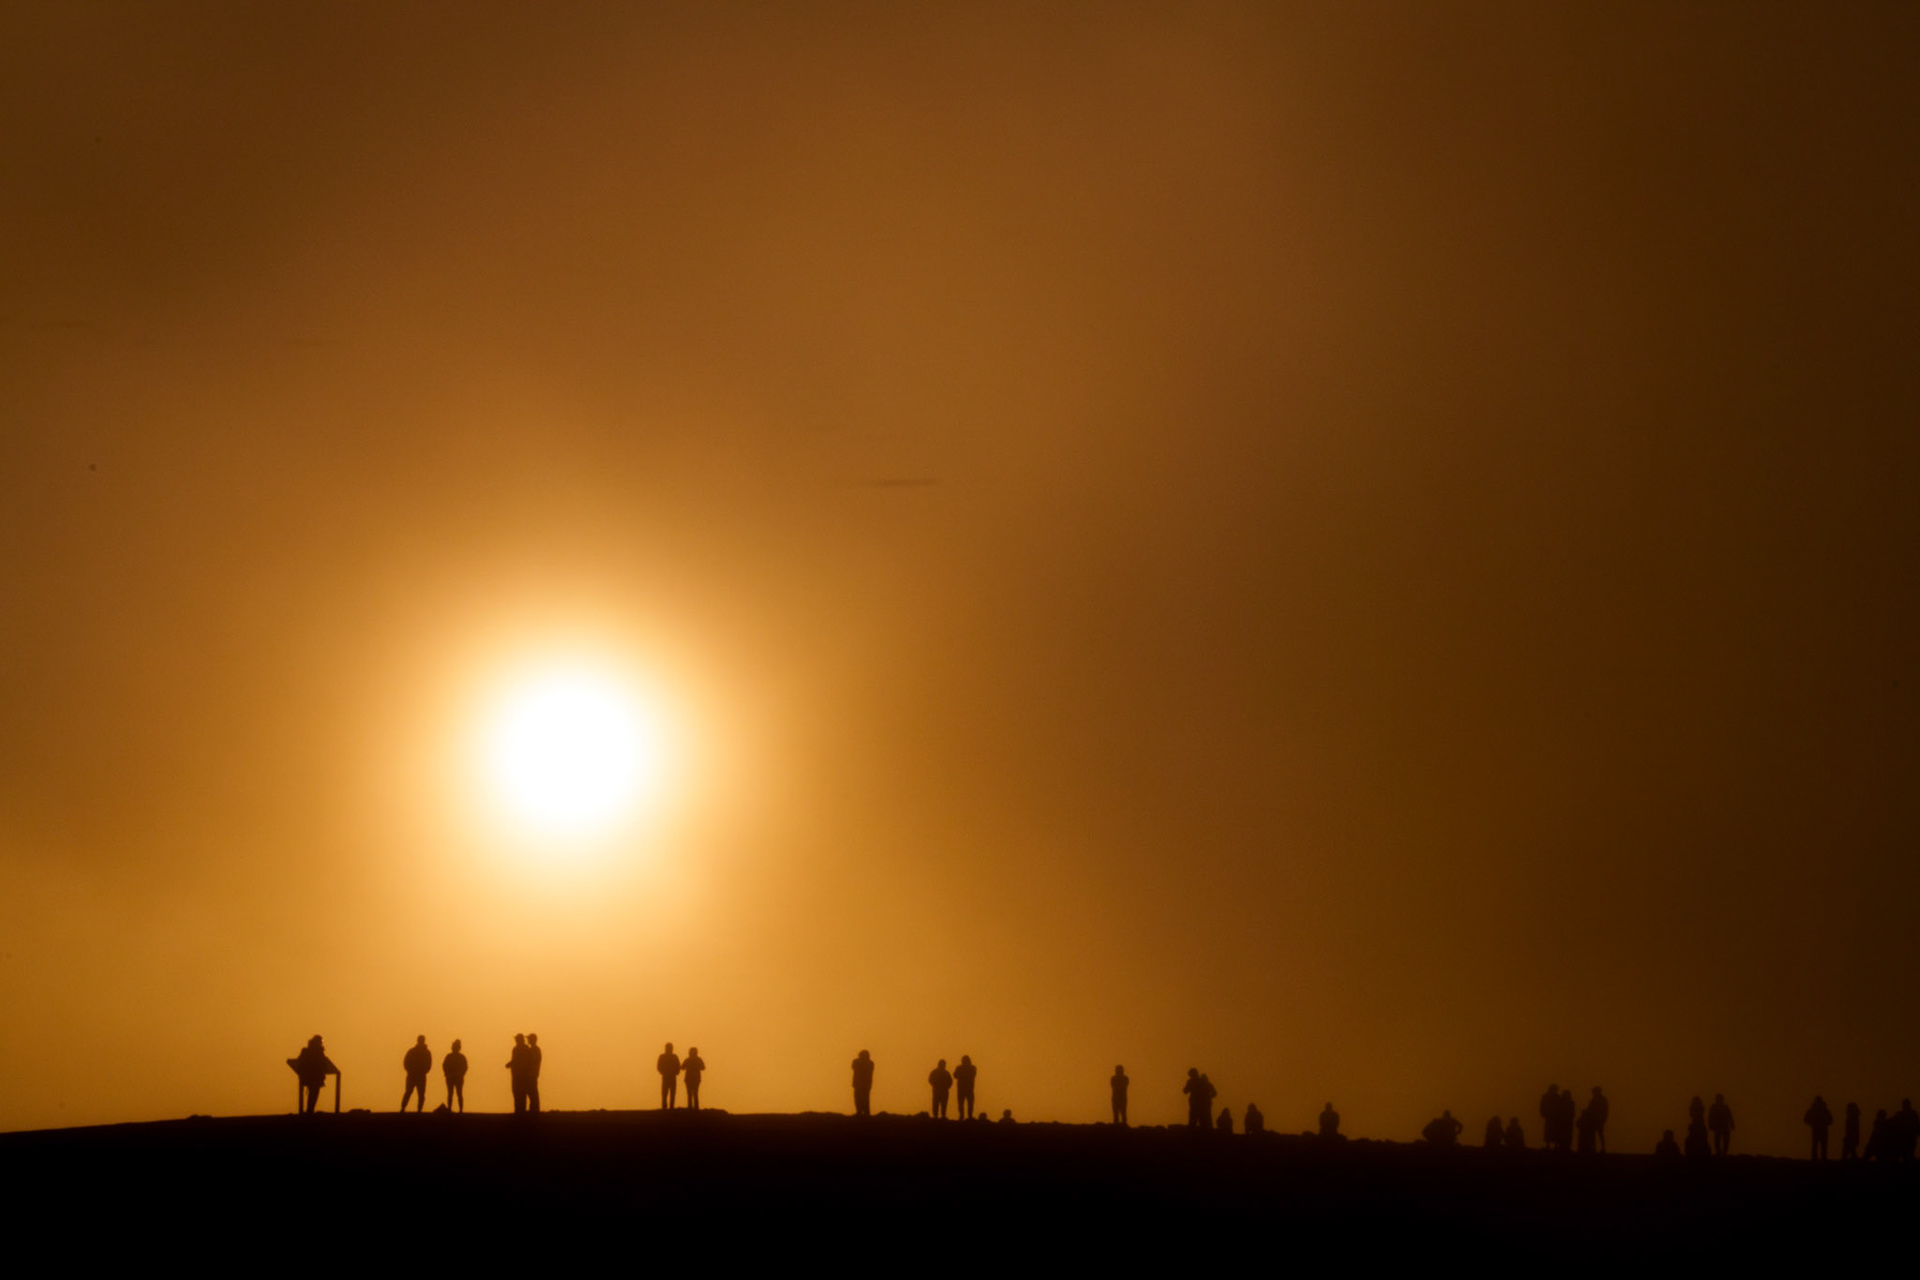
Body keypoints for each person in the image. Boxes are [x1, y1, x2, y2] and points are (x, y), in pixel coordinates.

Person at [289, 1035, 337, 1116]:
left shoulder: (307, 1051)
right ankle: (310, 1111)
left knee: (313, 1093)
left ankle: (309, 1110)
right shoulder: (316, 1052)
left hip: (308, 1077)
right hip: (314, 1078)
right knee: (314, 1094)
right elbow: (321, 1063)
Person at [401, 1035, 432, 1113]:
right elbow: (406, 1062)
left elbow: (429, 1064)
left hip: (420, 1075)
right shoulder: (413, 1051)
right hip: (413, 1075)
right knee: (409, 1092)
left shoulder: (425, 1052)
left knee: (420, 1094)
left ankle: (418, 1110)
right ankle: (403, 1108)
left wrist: (424, 1071)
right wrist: (410, 1071)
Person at [506, 1034, 529, 1114]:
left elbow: (516, 1061)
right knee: (520, 1093)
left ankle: (519, 1110)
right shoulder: (525, 1048)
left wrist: (509, 1064)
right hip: (520, 1075)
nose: (515, 1041)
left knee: (518, 1092)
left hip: (518, 1075)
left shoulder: (517, 1049)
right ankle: (521, 1110)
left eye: (516, 1039)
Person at [1804, 1095, 1833, 1161]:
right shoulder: (1825, 1110)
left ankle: (1816, 1159)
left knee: (1817, 1145)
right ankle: (1821, 1159)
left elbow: (1830, 1120)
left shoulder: (1813, 1110)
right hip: (1820, 1130)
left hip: (1817, 1130)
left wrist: (1813, 1122)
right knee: (1821, 1145)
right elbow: (1830, 1120)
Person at [442, 1039, 468, 1113]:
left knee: (457, 1093)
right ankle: (453, 1109)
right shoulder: (451, 1057)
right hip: (452, 1077)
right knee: (453, 1093)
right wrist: (447, 1073)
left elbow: (465, 1067)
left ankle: (459, 1110)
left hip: (456, 1077)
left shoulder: (459, 1057)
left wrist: (460, 1074)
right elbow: (444, 1066)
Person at [851, 1050, 875, 1117]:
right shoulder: (857, 1062)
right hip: (859, 1083)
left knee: (864, 1098)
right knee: (858, 1098)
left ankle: (866, 1112)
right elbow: (853, 1067)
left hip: (864, 1084)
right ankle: (859, 1112)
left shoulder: (869, 1063)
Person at [657, 1043, 681, 1110]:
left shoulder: (674, 1057)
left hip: (672, 1076)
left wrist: (676, 1072)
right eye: (669, 1048)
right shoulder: (663, 1056)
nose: (670, 1049)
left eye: (671, 1048)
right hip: (666, 1076)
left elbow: (678, 1066)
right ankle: (665, 1106)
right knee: (665, 1092)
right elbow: (659, 1066)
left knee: (672, 1092)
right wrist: (663, 1072)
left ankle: (671, 1106)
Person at [1539, 1085, 1563, 1152]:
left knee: (1555, 1131)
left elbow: (1560, 1107)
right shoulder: (1546, 1097)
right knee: (1548, 1131)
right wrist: (1544, 1114)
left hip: (1555, 1117)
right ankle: (1548, 1144)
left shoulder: (1557, 1097)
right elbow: (1542, 1106)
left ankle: (1555, 1145)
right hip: (1549, 1117)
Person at [954, 1055, 978, 1121]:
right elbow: (955, 1075)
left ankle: (968, 1116)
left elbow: (956, 1075)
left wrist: (962, 1074)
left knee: (969, 1104)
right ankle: (963, 1116)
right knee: (962, 1104)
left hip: (968, 1089)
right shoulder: (972, 1068)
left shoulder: (972, 1068)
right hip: (964, 1089)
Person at [682, 1047, 706, 1111]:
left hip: (691, 1078)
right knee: (694, 1093)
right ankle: (695, 1107)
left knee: (691, 1093)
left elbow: (682, 1067)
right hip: (694, 1078)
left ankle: (692, 1107)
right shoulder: (697, 1059)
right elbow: (703, 1067)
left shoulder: (688, 1059)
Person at [525, 1033, 543, 1114]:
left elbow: (532, 1061)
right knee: (532, 1092)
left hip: (532, 1074)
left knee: (532, 1092)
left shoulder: (534, 1049)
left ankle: (534, 1110)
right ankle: (534, 1109)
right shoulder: (534, 1049)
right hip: (532, 1074)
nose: (528, 1040)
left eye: (529, 1039)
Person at [1589, 1087, 1610, 1153]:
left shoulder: (1602, 1100)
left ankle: (1602, 1148)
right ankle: (1594, 1148)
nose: (1593, 1093)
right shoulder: (1593, 1100)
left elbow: (1605, 1110)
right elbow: (1590, 1109)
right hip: (1593, 1119)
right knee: (1593, 1134)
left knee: (1600, 1134)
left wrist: (1603, 1119)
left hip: (1599, 1119)